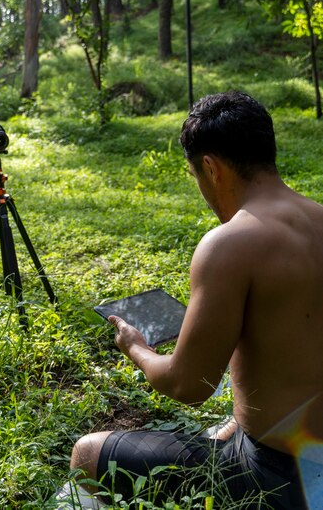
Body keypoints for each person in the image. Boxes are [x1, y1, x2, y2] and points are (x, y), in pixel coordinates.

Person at [69, 91, 323, 509]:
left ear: (211, 168)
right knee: (227, 426)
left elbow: (187, 386)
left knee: (87, 454)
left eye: (196, 176)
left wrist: (136, 347)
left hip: (280, 477)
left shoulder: (229, 244)